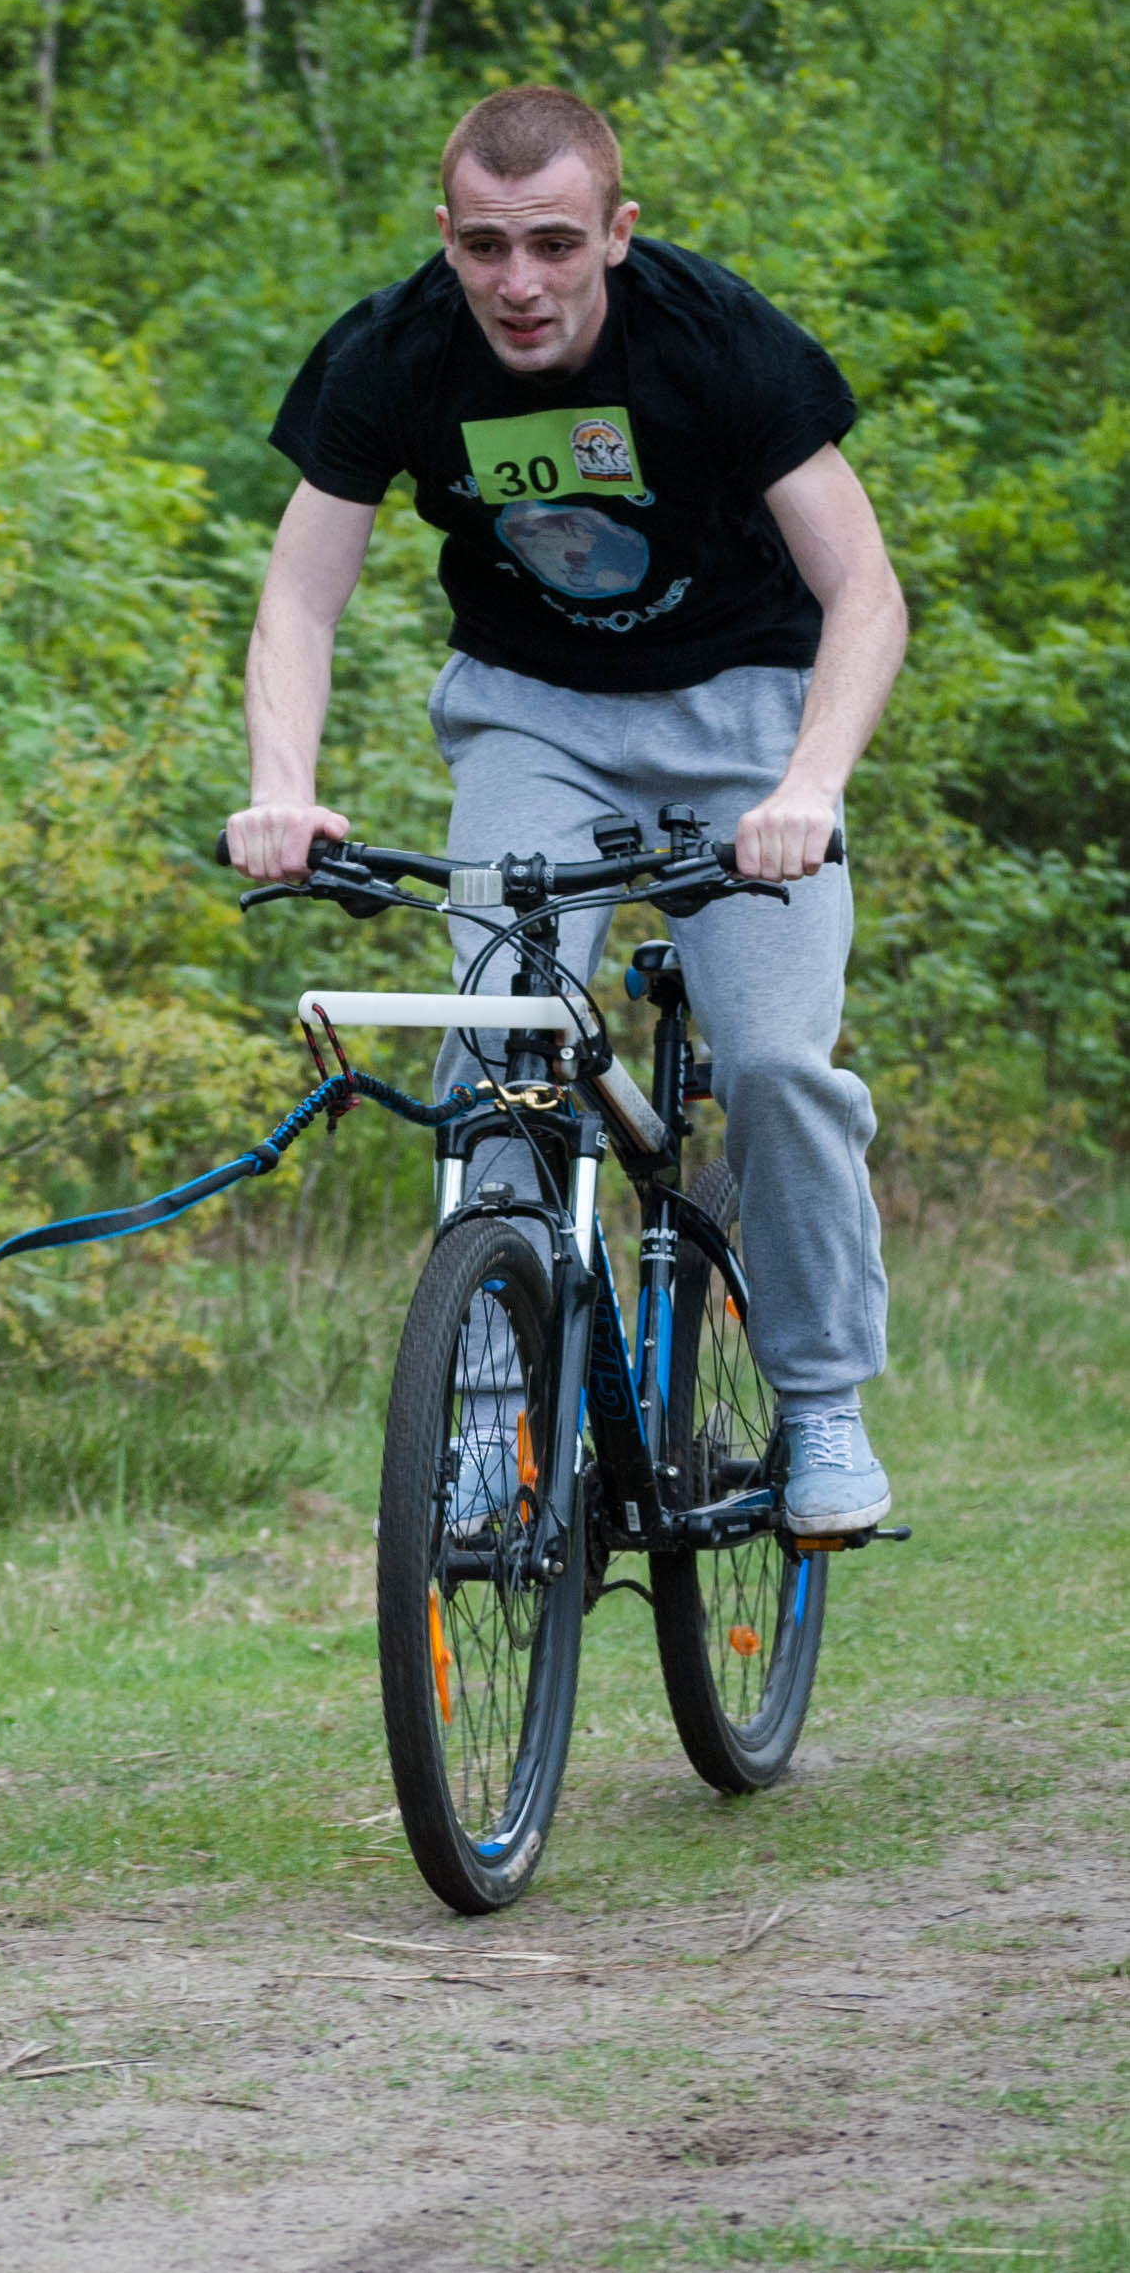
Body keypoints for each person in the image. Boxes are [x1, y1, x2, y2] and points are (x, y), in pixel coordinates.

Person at [224, 85, 903, 1536]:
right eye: (483, 247)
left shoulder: (715, 340)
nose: (516, 283)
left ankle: (821, 1403)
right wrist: (281, 789)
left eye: (550, 243)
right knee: (497, 1064)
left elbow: (865, 593)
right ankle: (485, 1433)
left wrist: (809, 786)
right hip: (537, 723)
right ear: (446, 239)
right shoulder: (394, 353)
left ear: (616, 231)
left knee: (778, 1068)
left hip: (742, 719)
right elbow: (298, 591)